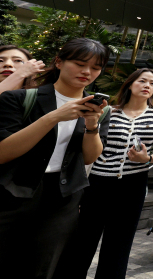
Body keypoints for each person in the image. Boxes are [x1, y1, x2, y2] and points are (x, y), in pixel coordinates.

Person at [0, 38, 110, 279]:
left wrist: (92, 126)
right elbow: (3, 152)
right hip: (12, 192)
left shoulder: (100, 108)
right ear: (59, 62)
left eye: (95, 67)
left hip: (62, 198)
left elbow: (89, 157)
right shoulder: (18, 99)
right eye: (80, 63)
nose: (87, 72)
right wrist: (53, 117)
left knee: (43, 267)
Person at [54, 68, 153, 279]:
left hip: (133, 185)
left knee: (119, 244)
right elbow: (90, 143)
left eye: (152, 84)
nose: (147, 86)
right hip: (98, 182)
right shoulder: (109, 111)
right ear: (130, 83)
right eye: (142, 81)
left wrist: (147, 158)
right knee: (83, 240)